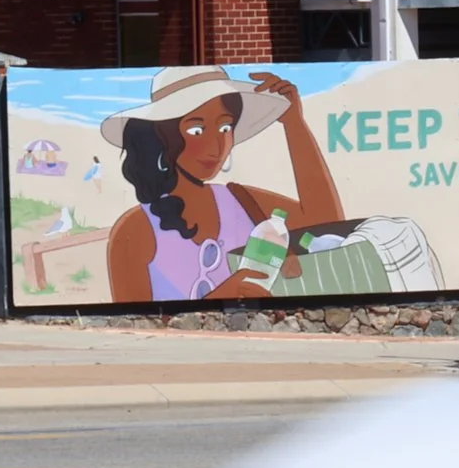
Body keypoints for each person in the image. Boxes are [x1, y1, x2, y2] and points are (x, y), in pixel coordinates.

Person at [101, 66, 344, 303]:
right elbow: (132, 325)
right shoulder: (134, 231)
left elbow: (328, 225)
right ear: (163, 135)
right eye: (196, 130)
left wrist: (294, 125)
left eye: (225, 127)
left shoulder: (240, 200)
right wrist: (221, 297)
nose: (216, 146)